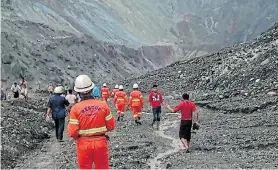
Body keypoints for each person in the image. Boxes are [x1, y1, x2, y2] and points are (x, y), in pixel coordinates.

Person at [68, 75, 115, 169]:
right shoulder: (103, 105)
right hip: (100, 143)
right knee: (102, 167)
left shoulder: (75, 109)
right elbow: (111, 126)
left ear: (78, 92)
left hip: (83, 144)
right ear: (92, 89)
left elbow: (73, 132)